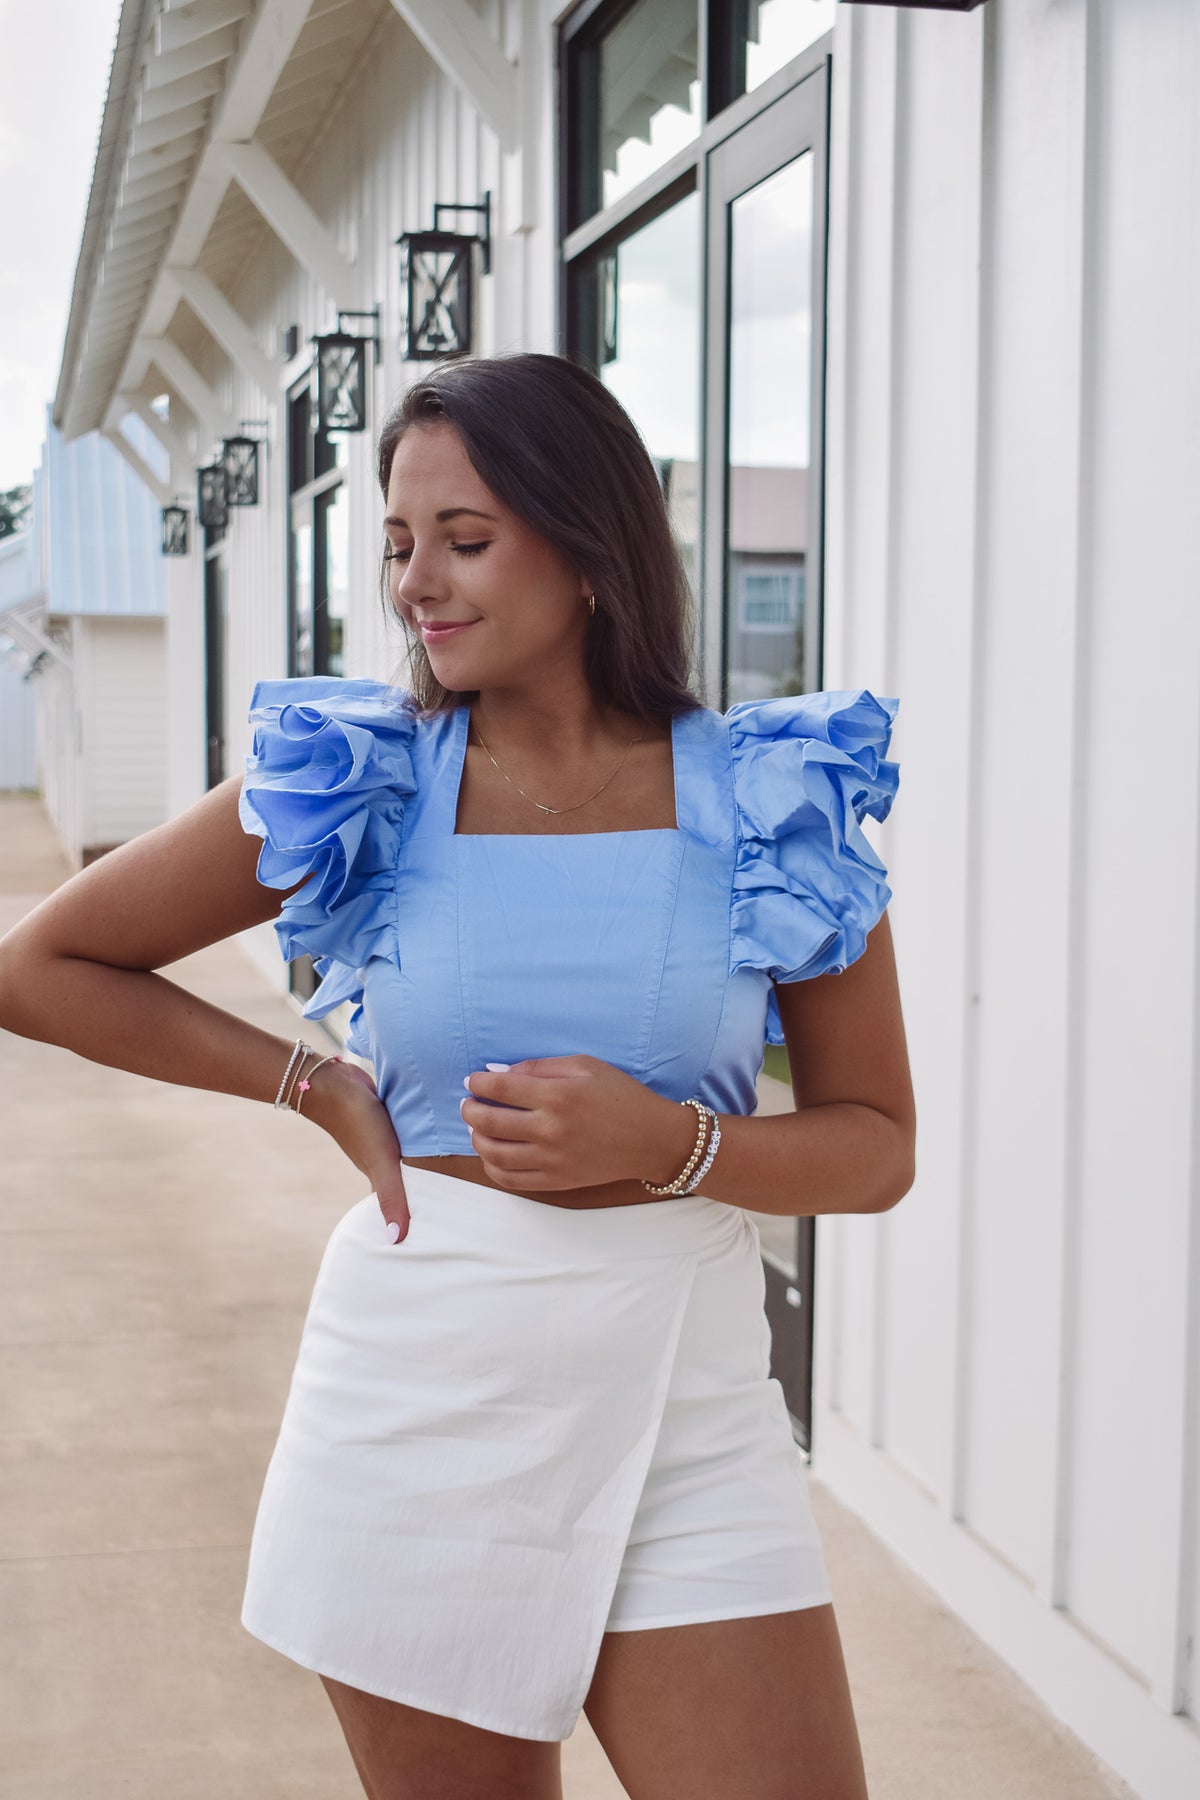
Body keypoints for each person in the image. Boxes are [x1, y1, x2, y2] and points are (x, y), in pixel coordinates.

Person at [0, 351, 915, 1800]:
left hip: (691, 1400)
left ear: (592, 543)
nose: (419, 581)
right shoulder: (361, 779)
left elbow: (876, 1145)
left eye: (466, 540)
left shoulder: (771, 795)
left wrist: (673, 1143)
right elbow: (39, 969)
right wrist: (315, 1085)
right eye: (399, 543)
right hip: (423, 1405)